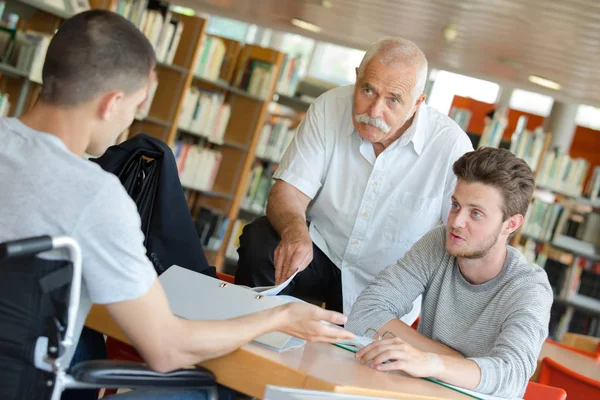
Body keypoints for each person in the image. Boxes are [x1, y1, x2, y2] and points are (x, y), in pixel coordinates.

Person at [0, 10, 353, 400]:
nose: (130, 120)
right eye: (135, 106)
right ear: (111, 103)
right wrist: (279, 316)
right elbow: (166, 348)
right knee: (208, 393)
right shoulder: (93, 196)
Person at [235, 37, 473, 319]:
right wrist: (294, 232)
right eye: (368, 90)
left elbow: (457, 242)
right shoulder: (328, 107)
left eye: (393, 100)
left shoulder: (451, 147)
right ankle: (250, 335)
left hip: (385, 284)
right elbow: (289, 191)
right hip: (320, 249)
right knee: (260, 239)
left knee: (346, 358)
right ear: (357, 75)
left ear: (417, 104)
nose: (374, 111)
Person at [346, 147, 553, 398]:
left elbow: (512, 375)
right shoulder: (440, 242)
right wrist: (449, 361)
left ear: (510, 225)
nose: (456, 221)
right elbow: (365, 311)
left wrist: (431, 362)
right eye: (456, 205)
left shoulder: (529, 287)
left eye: (475, 213)